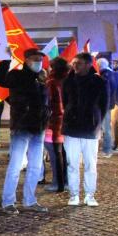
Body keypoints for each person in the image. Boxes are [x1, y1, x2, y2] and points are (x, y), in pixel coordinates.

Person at [0, 48, 51, 215]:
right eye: (35, 59)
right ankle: (8, 201)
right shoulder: (17, 75)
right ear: (26, 60)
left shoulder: (42, 78)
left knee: (35, 166)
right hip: (22, 126)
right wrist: (5, 59)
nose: (38, 62)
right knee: (16, 165)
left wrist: (47, 113)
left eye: (40, 59)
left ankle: (30, 200)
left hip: (39, 127)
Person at [62, 53, 107, 207]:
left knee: (90, 164)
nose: (75, 66)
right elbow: (65, 101)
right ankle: (74, 195)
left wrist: (96, 121)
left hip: (90, 128)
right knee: (72, 164)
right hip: (71, 128)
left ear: (88, 64)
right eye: (74, 63)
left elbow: (104, 105)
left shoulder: (98, 82)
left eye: (79, 63)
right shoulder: (68, 81)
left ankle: (90, 195)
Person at [44, 57, 69, 193]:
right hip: (67, 121)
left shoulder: (51, 83)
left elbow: (47, 103)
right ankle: (66, 181)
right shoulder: (70, 80)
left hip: (54, 123)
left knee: (55, 153)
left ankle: (57, 183)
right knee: (64, 153)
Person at [97, 58, 117, 158]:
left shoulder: (104, 75)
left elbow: (106, 92)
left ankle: (107, 149)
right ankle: (107, 149)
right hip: (108, 104)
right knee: (106, 128)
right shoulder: (112, 74)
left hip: (104, 105)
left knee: (105, 128)